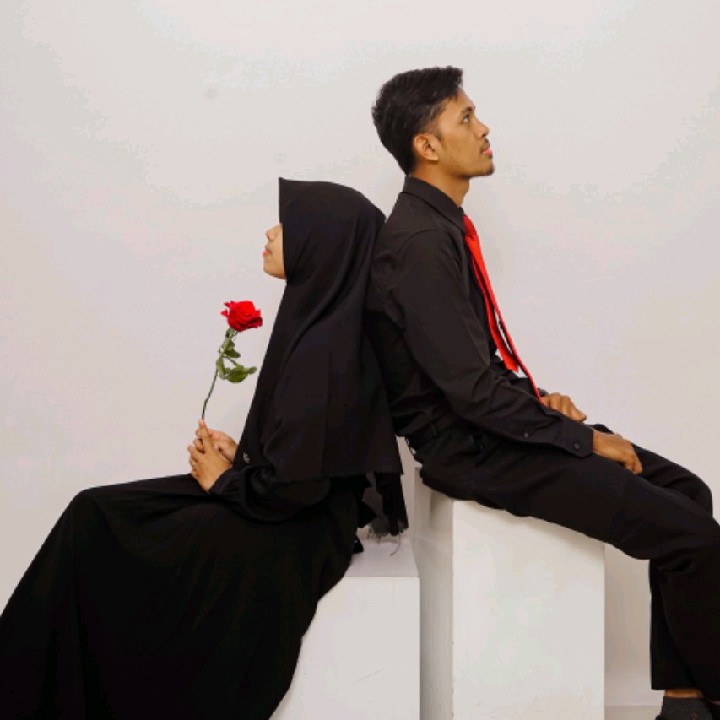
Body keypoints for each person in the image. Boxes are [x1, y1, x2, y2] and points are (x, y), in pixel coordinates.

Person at [365, 65, 719, 720]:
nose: (484, 127)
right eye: (466, 117)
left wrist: (538, 400)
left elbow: (470, 369)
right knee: (695, 538)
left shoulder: (439, 228)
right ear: (427, 145)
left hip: (493, 430)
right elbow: (469, 394)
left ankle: (686, 701)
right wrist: (582, 440)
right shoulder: (419, 243)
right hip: (473, 452)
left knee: (688, 495)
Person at [0, 177, 408, 720]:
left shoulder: (325, 350)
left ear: (321, 244)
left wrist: (225, 480)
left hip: (293, 532)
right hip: (276, 505)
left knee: (100, 525)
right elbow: (306, 459)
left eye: (288, 225)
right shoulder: (318, 326)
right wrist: (242, 457)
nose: (271, 233)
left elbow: (302, 489)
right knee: (94, 513)